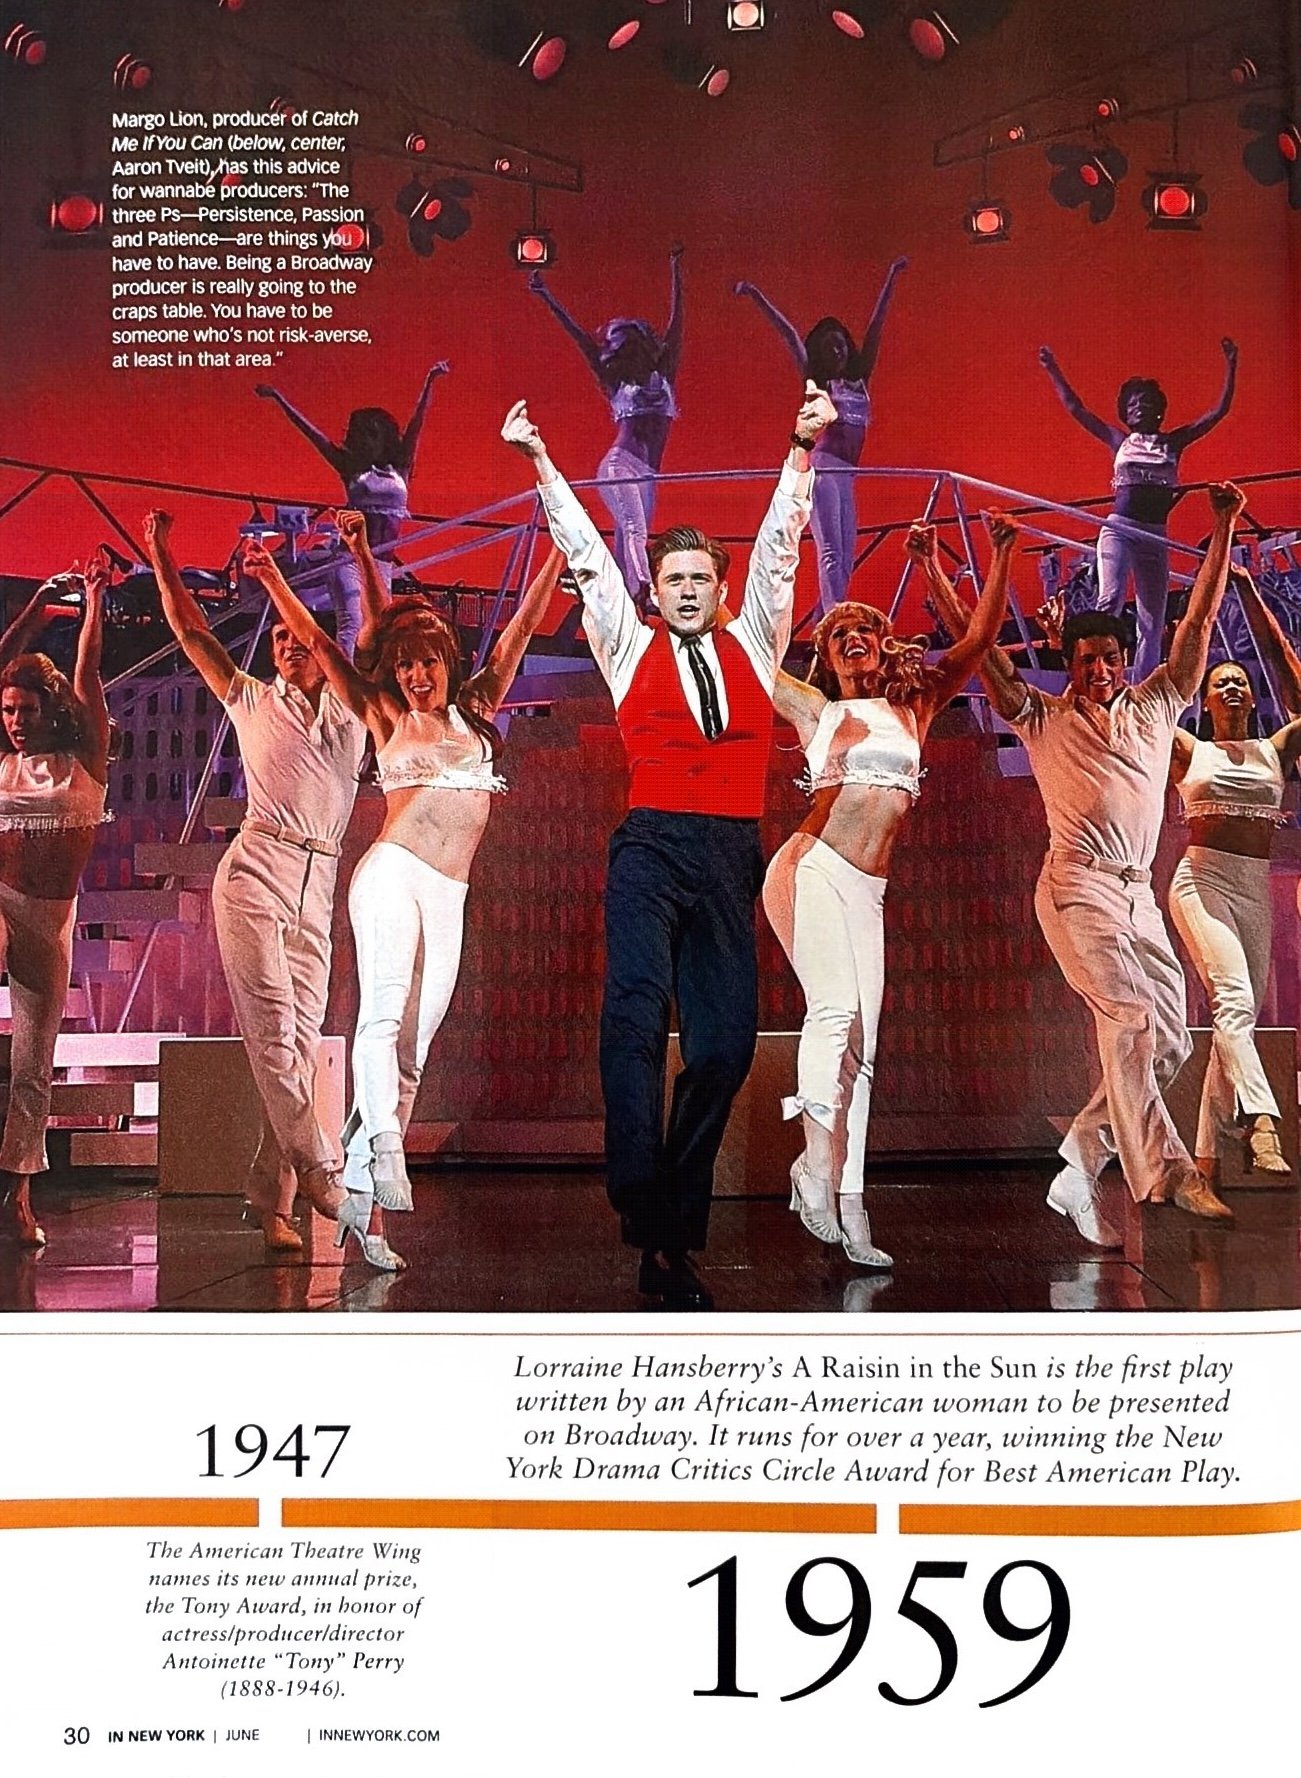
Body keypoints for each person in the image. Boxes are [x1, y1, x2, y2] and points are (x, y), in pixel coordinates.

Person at [502, 382, 835, 1311]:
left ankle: (663, 1220)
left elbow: (779, 546)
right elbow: (582, 551)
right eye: (672, 581)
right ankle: (645, 1203)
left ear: (717, 590)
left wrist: (800, 449)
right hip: (649, 847)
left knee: (724, 1047)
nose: (685, 592)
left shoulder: (755, 640)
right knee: (637, 1016)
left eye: (699, 580)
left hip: (731, 852)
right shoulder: (625, 642)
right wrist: (538, 460)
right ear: (655, 591)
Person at [921, 481, 1247, 1240]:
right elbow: (974, 649)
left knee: (1166, 1037)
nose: (1098, 670)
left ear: (1124, 659)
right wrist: (941, 572)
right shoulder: (1039, 716)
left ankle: (1079, 1158)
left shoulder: (1158, 704)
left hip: (1140, 896)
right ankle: (1169, 1176)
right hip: (1076, 888)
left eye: (1108, 658)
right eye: (1085, 660)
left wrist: (1223, 526)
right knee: (1129, 1018)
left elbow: (1196, 619)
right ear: (1065, 664)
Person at [242, 515, 563, 1270]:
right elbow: (322, 645)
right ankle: (386, 1146)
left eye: (429, 663)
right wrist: (269, 579)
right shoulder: (385, 714)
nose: (418, 675)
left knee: (413, 1052)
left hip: (449, 892)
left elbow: (518, 628)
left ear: (449, 662)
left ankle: (366, 1215)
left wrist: (556, 551)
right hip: (390, 873)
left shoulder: (478, 711)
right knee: (382, 1017)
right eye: (406, 665)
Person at [762, 512, 1015, 1268]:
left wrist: (997, 555)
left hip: (866, 891)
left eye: (862, 629)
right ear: (824, 652)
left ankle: (850, 1199)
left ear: (881, 641)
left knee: (863, 1051)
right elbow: (749, 652)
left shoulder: (915, 705)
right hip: (808, 868)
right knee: (834, 1012)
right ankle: (811, 1167)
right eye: (835, 633)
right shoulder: (816, 708)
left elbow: (975, 640)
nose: (849, 639)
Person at [144, 510, 377, 1260]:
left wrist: (352, 555)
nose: (285, 643)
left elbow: (364, 633)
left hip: (321, 876)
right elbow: (189, 634)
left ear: (318, 649)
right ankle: (320, 1174)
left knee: (300, 1049)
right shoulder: (249, 697)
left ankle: (269, 1194)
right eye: (276, 637)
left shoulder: (350, 710)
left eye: (297, 637)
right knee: (275, 1034)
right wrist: (159, 551)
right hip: (254, 870)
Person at [1167, 568, 1301, 1189]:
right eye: (1221, 683)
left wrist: (1251, 598)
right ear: (1206, 699)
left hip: (1255, 885)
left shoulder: (1278, 749)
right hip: (1202, 883)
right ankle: (1264, 1122)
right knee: (1234, 1003)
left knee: (1233, 1022)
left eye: (1241, 682)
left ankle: (1205, 1167)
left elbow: (1292, 684)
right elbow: (1159, 693)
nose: (1233, 688)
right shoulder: (1190, 750)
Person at [0, 550, 111, 1247]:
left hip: (53, 920)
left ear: (51, 712)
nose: (14, 720)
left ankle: (18, 1195)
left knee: (33, 1063)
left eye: (25, 709)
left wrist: (93, 601)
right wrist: (37, 607)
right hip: (0, 900)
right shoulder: (1, 762)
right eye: (6, 708)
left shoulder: (85, 760)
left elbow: (89, 673)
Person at [1037, 339, 1237, 679]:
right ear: (1125, 413)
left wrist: (1232, 364)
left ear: (1159, 409)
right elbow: (1076, 408)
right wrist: (1052, 367)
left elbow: (1217, 413)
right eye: (1132, 404)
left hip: (1155, 538)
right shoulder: (1120, 441)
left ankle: (1142, 685)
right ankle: (1097, 676)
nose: (1139, 407)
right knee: (1109, 603)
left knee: (1152, 619)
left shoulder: (1174, 441)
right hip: (1120, 531)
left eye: (1145, 402)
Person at [735, 260, 908, 616]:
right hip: (825, 471)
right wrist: (756, 296)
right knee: (831, 550)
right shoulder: (817, 382)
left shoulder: (860, 380)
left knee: (846, 552)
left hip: (847, 475)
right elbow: (789, 336)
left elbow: (877, 325)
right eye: (829, 347)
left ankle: (824, 616)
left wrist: (891, 275)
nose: (837, 351)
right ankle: (835, 618)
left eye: (841, 344)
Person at [253, 364, 451, 657]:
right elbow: (312, 433)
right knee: (351, 623)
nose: (365, 441)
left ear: (383, 437)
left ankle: (365, 686)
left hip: (382, 564)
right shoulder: (351, 469)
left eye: (371, 435)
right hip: (348, 559)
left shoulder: (401, 468)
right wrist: (279, 398)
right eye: (360, 436)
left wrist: (430, 380)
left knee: (380, 628)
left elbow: (417, 423)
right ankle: (341, 688)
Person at [527, 248, 683, 603]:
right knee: (633, 531)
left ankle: (625, 600)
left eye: (631, 345)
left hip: (648, 475)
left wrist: (676, 272)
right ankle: (645, 590)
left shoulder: (664, 375)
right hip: (619, 464)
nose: (625, 353)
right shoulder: (616, 384)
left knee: (629, 537)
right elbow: (581, 340)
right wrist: (546, 295)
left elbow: (676, 327)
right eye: (619, 348)